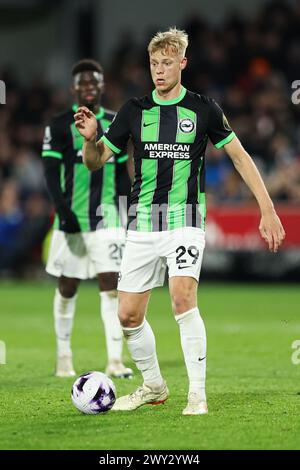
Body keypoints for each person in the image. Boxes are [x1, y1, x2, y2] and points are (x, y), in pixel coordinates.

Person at [74, 29, 285, 415]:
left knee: (182, 299)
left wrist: (267, 208)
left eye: (167, 63)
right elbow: (95, 161)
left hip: (185, 218)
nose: (159, 70)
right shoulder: (134, 111)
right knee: (127, 315)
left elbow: (239, 157)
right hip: (142, 221)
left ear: (182, 63)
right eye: (154, 63)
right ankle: (154, 385)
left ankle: (197, 394)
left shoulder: (204, 109)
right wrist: (91, 139)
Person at [42, 59, 133, 379]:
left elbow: (121, 174)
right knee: (67, 286)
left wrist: (126, 211)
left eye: (94, 83)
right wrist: (62, 212)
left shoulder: (115, 122)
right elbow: (51, 173)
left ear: (102, 86)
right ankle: (63, 356)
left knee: (111, 286)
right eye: (83, 83)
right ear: (74, 88)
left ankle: (114, 360)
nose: (89, 88)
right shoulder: (57, 124)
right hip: (71, 219)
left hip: (107, 217)